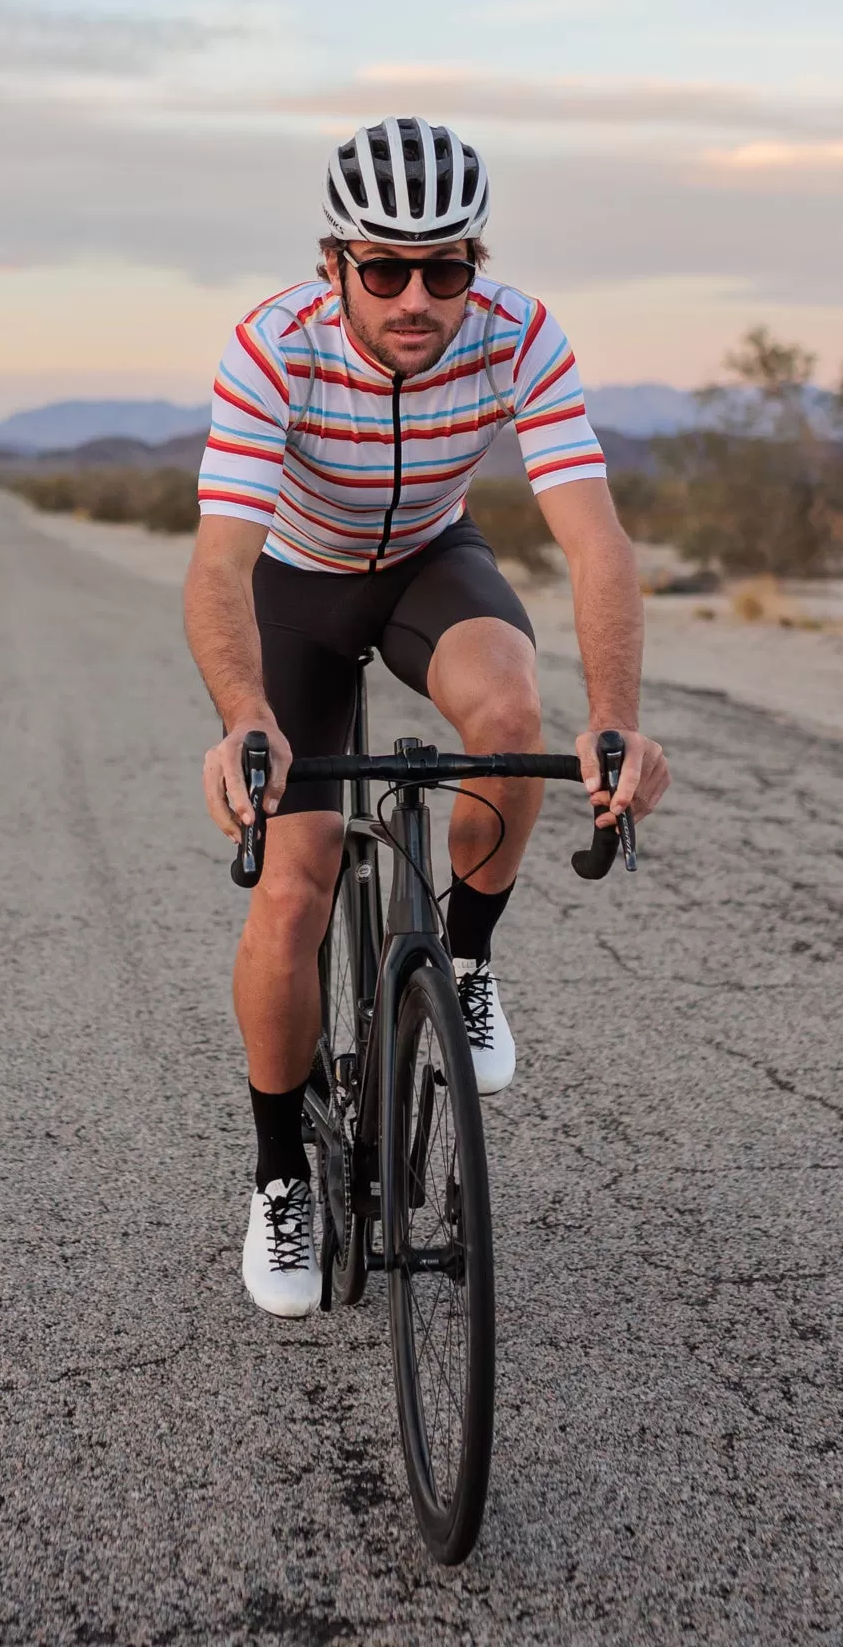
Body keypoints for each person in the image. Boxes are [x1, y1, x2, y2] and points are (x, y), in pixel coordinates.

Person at [185, 116, 672, 1318]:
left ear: (476, 264)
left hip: (427, 561)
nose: (417, 295)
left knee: (513, 709)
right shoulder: (273, 349)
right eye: (385, 268)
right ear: (333, 261)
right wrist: (245, 715)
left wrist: (618, 719)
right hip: (295, 588)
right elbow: (216, 563)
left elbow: (595, 540)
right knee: (292, 886)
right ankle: (280, 1173)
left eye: (446, 267)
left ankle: (464, 958)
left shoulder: (519, 336)